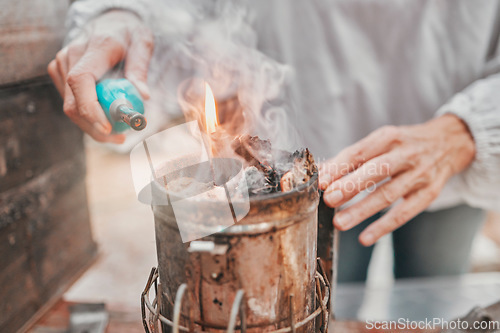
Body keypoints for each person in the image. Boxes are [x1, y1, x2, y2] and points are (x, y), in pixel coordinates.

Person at [48, 0, 500, 282]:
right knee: (317, 293)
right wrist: (118, 13)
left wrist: (466, 131)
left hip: (448, 151)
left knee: (432, 299)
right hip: (313, 167)